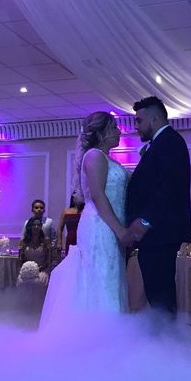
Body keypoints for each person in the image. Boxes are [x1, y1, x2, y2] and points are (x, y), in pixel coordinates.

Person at [40, 111, 129, 326]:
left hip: (108, 224)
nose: (119, 131)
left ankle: (112, 330)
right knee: (101, 277)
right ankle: (101, 331)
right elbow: (98, 196)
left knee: (110, 276)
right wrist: (120, 230)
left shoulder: (106, 158)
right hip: (101, 225)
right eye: (114, 127)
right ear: (102, 132)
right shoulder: (94, 156)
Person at [126, 96, 191, 315]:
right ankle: (166, 340)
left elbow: (167, 189)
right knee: (158, 292)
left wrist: (145, 220)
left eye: (139, 121)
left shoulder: (169, 143)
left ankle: (169, 343)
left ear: (154, 119)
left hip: (159, 233)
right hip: (158, 233)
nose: (135, 126)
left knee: (160, 294)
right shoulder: (162, 143)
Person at [19, 216, 51, 284]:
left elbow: (49, 260)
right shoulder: (23, 242)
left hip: (42, 270)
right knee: (21, 281)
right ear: (30, 226)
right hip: (27, 271)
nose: (36, 227)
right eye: (34, 225)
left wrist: (39, 269)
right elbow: (20, 260)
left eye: (38, 225)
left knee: (39, 281)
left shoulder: (46, 241)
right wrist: (26, 269)